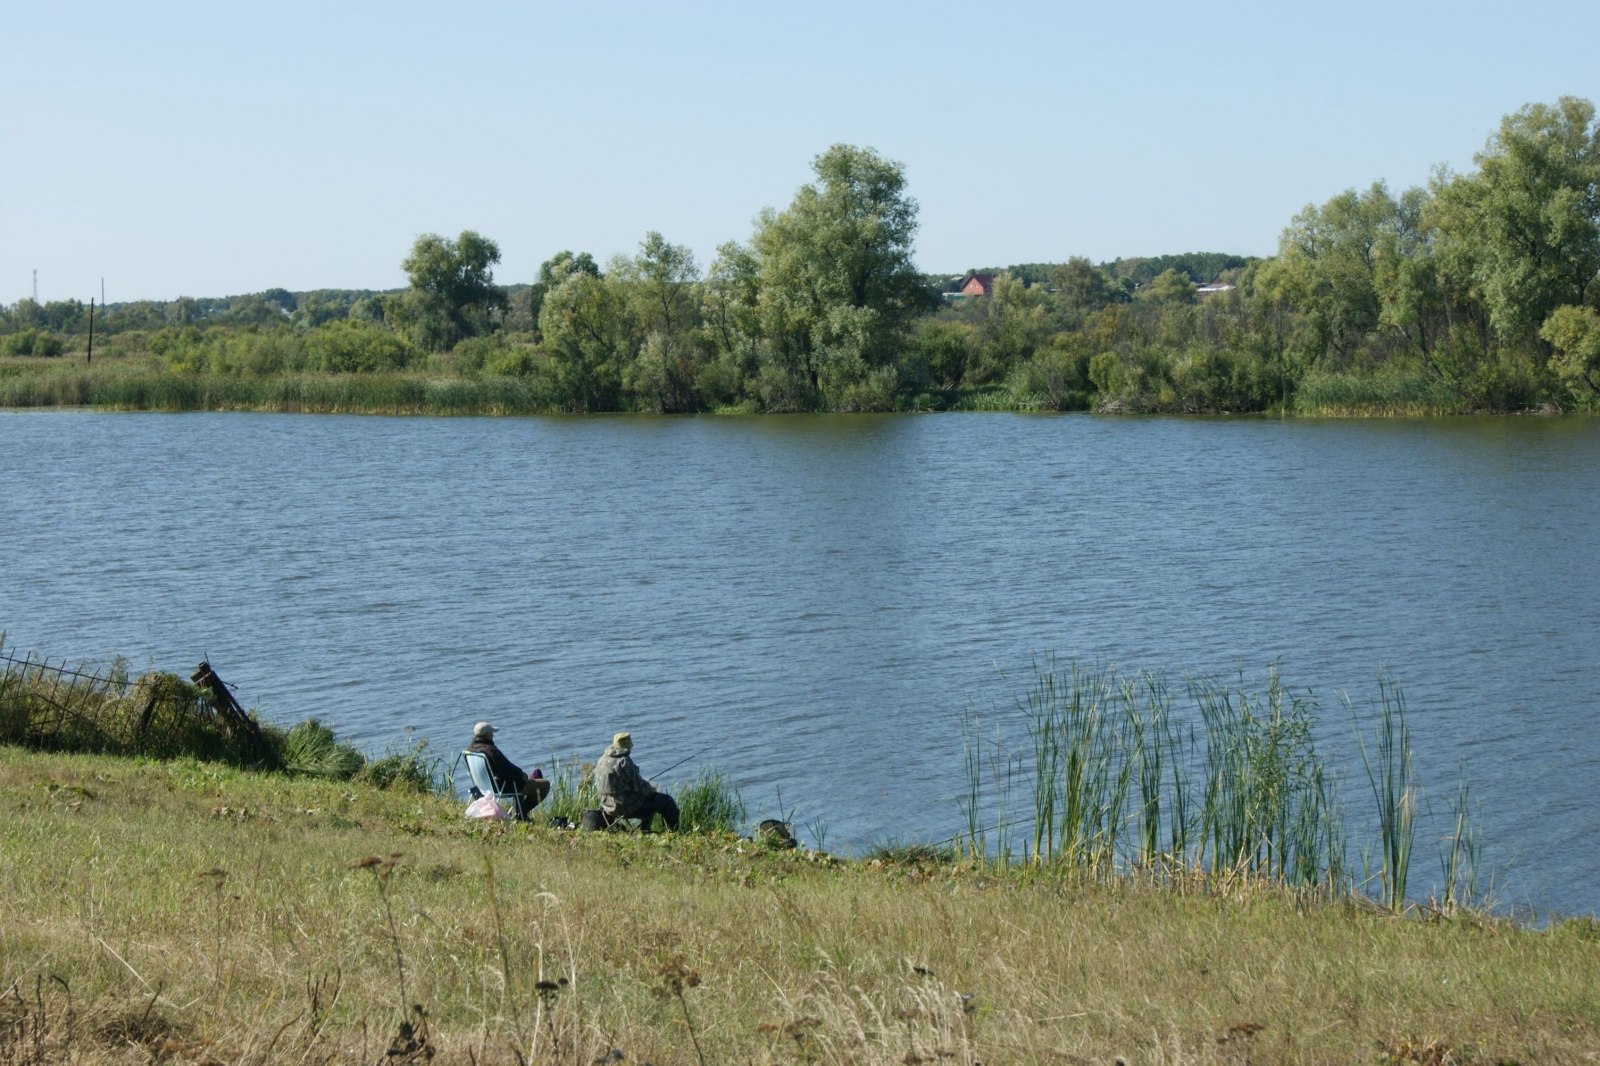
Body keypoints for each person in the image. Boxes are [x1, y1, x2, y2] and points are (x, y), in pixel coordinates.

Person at [594, 732, 679, 831]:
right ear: (627, 747)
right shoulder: (624, 761)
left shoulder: (602, 759)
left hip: (607, 806)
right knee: (667, 801)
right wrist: (649, 787)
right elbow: (640, 787)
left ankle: (643, 828)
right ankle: (672, 831)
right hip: (626, 807)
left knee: (652, 798)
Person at [465, 722, 549, 817]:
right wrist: (520, 774)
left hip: (482, 786)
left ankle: (517, 812)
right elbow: (507, 772)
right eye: (491, 733)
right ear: (488, 734)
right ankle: (520, 814)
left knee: (522, 778)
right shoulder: (490, 750)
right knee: (544, 785)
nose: (492, 735)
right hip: (498, 787)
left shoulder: (469, 749)